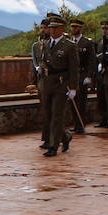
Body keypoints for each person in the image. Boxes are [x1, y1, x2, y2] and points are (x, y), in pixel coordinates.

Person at [40, 15, 79, 154]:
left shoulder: (69, 46)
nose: (52, 31)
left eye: (55, 28)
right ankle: (65, 136)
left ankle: (53, 146)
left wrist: (73, 88)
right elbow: (42, 63)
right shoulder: (45, 44)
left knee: (57, 115)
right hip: (47, 83)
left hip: (61, 84)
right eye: (51, 28)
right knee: (48, 115)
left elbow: (74, 69)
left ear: (62, 29)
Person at [26, 18, 53, 148]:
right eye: (41, 28)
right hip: (42, 82)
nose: (43, 30)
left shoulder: (55, 44)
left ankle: (58, 137)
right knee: (45, 111)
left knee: (53, 112)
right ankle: (48, 138)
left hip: (54, 82)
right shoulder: (36, 46)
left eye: (45, 28)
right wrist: (33, 83)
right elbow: (34, 65)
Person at [70, 19, 95, 133]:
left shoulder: (87, 42)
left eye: (76, 27)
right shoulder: (69, 42)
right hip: (72, 76)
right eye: (72, 27)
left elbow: (91, 60)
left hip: (82, 74)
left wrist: (89, 76)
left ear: (80, 29)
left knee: (81, 102)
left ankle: (81, 124)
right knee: (72, 102)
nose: (73, 29)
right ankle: (75, 124)